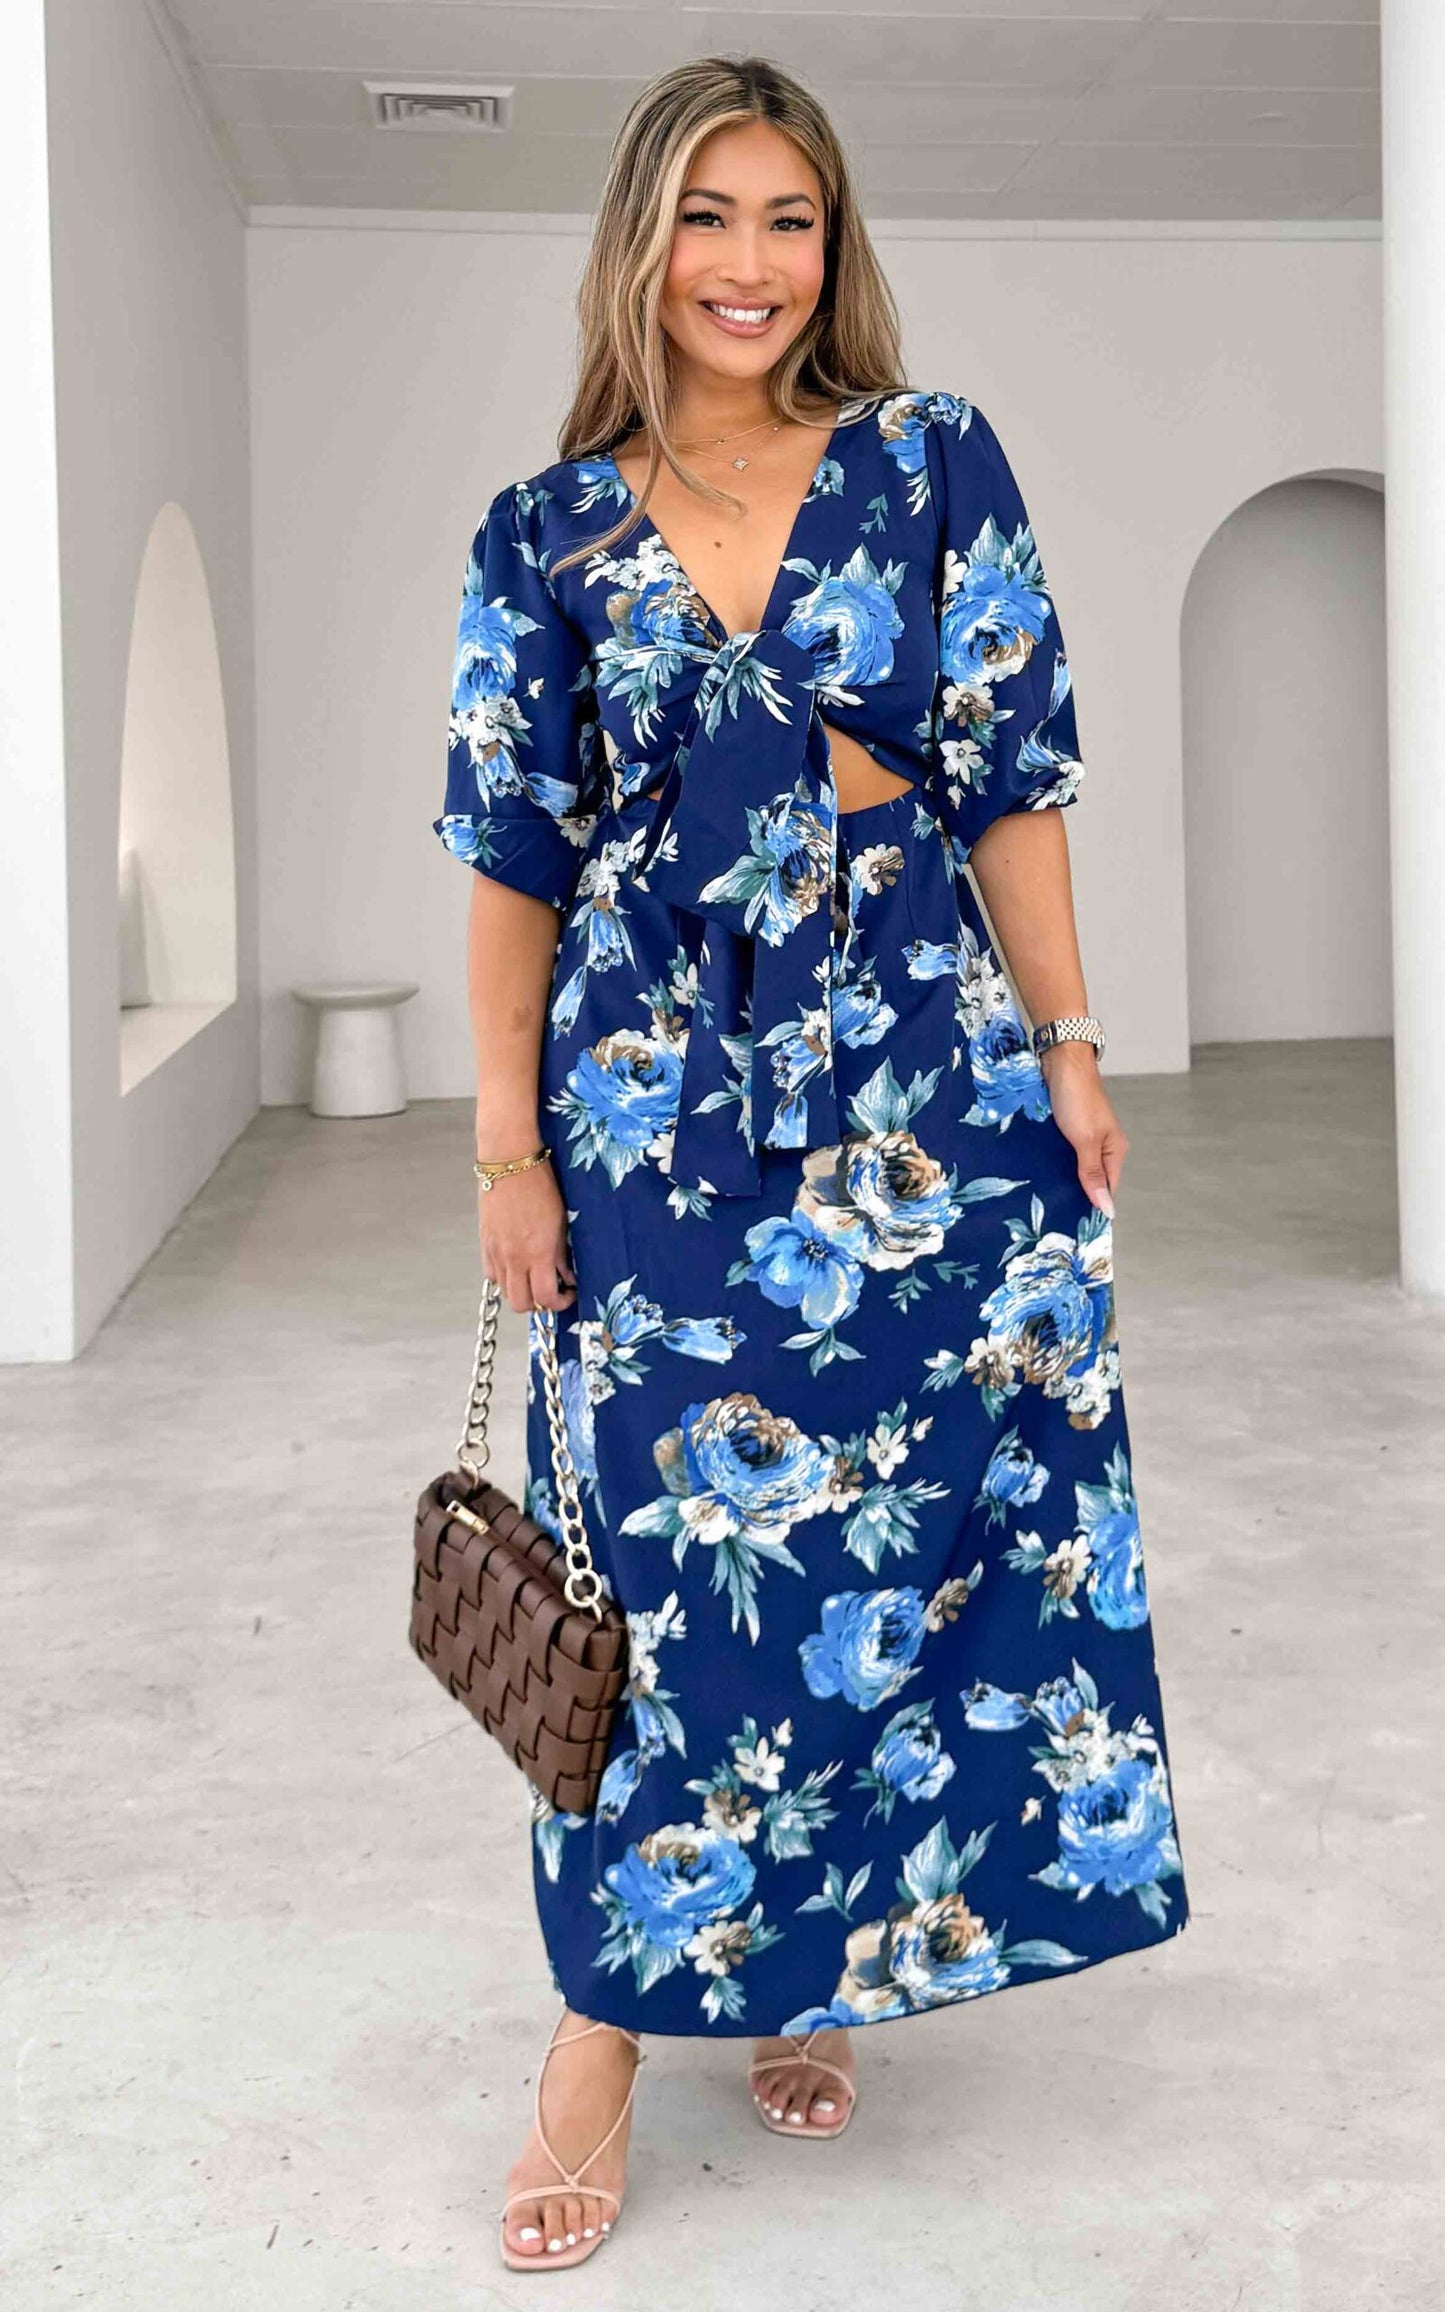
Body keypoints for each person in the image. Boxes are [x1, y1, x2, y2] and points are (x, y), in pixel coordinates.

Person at [433, 53, 1191, 2274]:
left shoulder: (933, 462)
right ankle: (599, 2025)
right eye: (708, 216)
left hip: (918, 1085)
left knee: (907, 1529)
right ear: (641, 243)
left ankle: (818, 1953)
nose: (749, 264)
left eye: (789, 219)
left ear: (832, 246)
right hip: (652, 1106)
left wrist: (1068, 1045)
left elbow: (1010, 777)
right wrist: (504, 1146)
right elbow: (512, 857)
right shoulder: (545, 532)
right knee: (659, 1564)